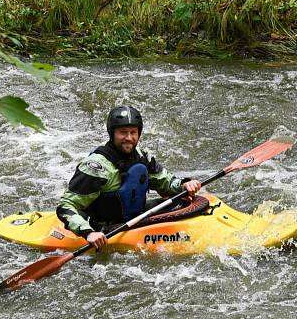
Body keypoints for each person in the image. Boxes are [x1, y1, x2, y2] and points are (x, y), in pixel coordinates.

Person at [57, 105, 202, 249]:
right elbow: (65, 206)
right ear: (112, 133)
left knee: (181, 201)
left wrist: (183, 185)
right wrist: (88, 233)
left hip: (137, 217)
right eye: (123, 132)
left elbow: (164, 182)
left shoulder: (140, 155)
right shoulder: (96, 167)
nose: (129, 138)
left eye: (133, 132)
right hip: (106, 229)